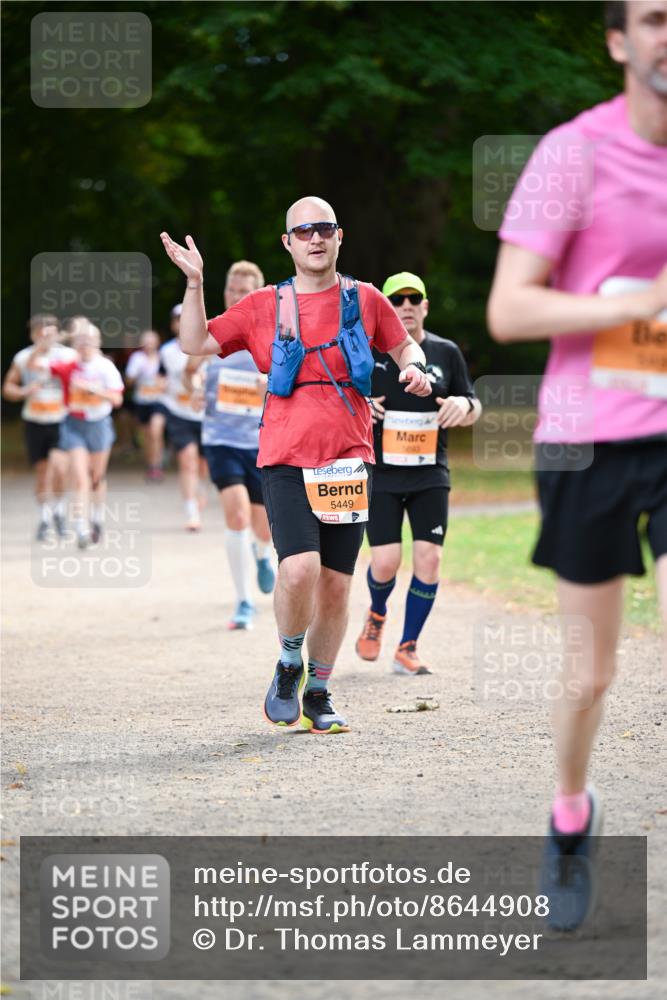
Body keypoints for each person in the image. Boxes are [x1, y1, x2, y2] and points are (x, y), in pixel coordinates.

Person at [487, 0, 667, 931]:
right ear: (618, 40)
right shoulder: (573, 153)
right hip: (585, 433)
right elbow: (509, 313)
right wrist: (642, 305)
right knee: (590, 672)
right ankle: (569, 813)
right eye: (655, 16)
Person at [160, 195, 431, 733]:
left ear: (338, 236)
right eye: (303, 231)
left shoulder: (366, 298)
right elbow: (195, 341)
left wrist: (418, 370)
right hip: (285, 456)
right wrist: (194, 283)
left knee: (335, 585)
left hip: (349, 462)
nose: (314, 238)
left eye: (324, 229)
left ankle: (320, 690)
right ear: (288, 242)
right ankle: (289, 661)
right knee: (298, 569)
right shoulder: (265, 304)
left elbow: (404, 348)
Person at [356, 272, 481, 675]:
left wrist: (464, 408)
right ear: (386, 308)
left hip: (430, 473)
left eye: (414, 299)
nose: (406, 306)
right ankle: (376, 612)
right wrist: (362, 407)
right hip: (383, 475)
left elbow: (474, 403)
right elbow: (340, 399)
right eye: (397, 300)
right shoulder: (369, 353)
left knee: (429, 560)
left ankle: (407, 647)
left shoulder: (445, 352)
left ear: (425, 306)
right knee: (387, 562)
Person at [186, 260, 276, 631]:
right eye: (231, 289)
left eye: (244, 290)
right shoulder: (212, 333)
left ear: (258, 292)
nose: (236, 296)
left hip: (261, 442)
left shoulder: (270, 335)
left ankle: (261, 555)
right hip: (220, 439)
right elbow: (189, 371)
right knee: (236, 516)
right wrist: (193, 391)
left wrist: (268, 387)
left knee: (264, 528)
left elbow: (292, 383)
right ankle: (243, 602)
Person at [30, 318, 124, 548]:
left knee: (96, 478)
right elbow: (35, 365)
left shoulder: (105, 367)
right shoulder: (68, 366)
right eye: (80, 340)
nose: (84, 344)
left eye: (89, 340)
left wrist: (94, 391)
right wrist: (42, 344)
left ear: (98, 342)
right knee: (80, 477)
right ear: (74, 344)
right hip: (73, 424)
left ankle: (97, 518)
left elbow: (117, 400)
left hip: (99, 424)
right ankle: (81, 528)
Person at [3, 314, 75, 540]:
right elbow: (8, 388)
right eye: (41, 332)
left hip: (62, 420)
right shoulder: (23, 357)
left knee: (60, 470)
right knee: (43, 473)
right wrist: (24, 391)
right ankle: (45, 518)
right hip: (34, 420)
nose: (46, 337)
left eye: (51, 332)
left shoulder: (68, 355)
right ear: (33, 334)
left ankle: (61, 514)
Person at [160, 304, 208, 531]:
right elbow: (161, 377)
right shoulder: (167, 352)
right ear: (173, 324)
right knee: (187, 460)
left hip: (206, 414)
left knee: (203, 465)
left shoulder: (209, 346)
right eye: (178, 319)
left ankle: (200, 489)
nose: (182, 323)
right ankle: (191, 511)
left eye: (185, 318)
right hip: (178, 412)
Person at [124, 329, 167, 481]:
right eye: (146, 341)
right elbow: (128, 381)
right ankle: (151, 464)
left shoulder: (163, 357)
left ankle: (157, 465)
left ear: (157, 342)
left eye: (152, 340)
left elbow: (170, 378)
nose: (149, 344)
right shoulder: (137, 358)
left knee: (156, 430)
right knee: (147, 436)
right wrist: (135, 374)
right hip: (142, 401)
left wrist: (163, 382)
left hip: (159, 401)